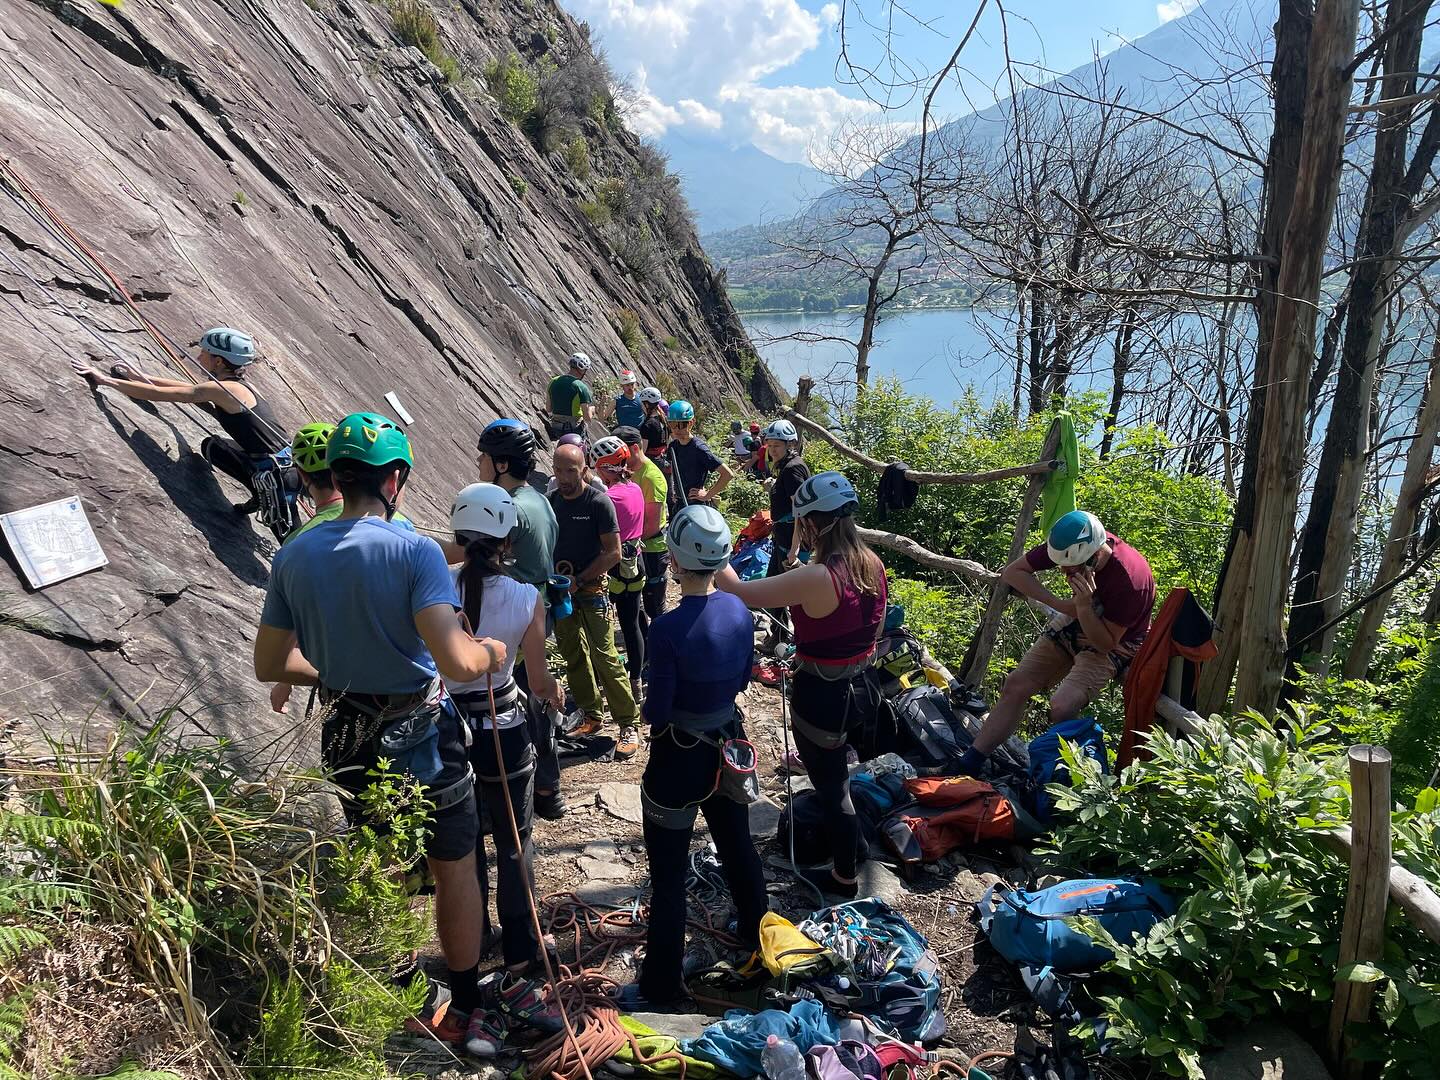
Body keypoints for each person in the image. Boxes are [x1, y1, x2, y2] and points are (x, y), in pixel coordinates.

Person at [252, 412, 517, 1044]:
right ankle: (464, 1004)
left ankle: (402, 994)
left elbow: (271, 663)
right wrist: (492, 654)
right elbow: (455, 659)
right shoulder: (415, 550)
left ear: (336, 476)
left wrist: (339, 665)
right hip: (421, 729)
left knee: (382, 859)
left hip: (346, 727)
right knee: (454, 862)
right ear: (394, 479)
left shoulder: (294, 553)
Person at [616, 505, 768, 1010]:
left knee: (669, 875)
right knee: (737, 844)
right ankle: (758, 935)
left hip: (678, 757)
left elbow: (658, 710)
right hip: (728, 742)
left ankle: (661, 985)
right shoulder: (740, 612)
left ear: (677, 561)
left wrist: (648, 713)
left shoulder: (666, 628)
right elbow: (744, 677)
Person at [717, 472, 887, 899]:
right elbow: (876, 628)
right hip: (862, 688)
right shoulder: (872, 563)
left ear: (814, 522)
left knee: (832, 787)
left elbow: (737, 590)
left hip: (823, 694)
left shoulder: (817, 577)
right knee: (836, 780)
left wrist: (716, 548)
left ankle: (845, 876)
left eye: (802, 521)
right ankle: (854, 844)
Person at [446, 482, 568, 1057]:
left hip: (450, 728)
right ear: (507, 539)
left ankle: (475, 938)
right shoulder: (525, 597)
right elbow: (538, 679)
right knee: (516, 839)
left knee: (464, 843)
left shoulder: (437, 586)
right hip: (505, 727)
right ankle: (520, 949)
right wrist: (556, 692)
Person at [958, 510, 1155, 776]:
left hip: (1116, 639)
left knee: (1062, 706)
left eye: (1070, 568)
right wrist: (1060, 604)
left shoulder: (1131, 581)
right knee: (1017, 684)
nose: (1063, 572)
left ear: (1094, 557)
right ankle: (970, 761)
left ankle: (1070, 778)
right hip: (1076, 619)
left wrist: (1083, 608)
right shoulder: (1070, 542)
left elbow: (1106, 643)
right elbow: (1014, 572)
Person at [71, 327, 290, 515]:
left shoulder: (224, 389)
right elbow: (188, 389)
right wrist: (138, 376)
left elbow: (162, 394)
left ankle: (265, 496)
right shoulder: (238, 385)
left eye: (204, 352)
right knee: (213, 447)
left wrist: (105, 381)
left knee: (288, 539)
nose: (199, 357)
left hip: (277, 476)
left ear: (219, 361)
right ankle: (258, 492)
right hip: (287, 464)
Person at [475, 419, 567, 820]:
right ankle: (548, 788)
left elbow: (473, 559)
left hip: (512, 618)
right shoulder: (539, 499)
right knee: (537, 697)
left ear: (499, 464)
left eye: (483, 457)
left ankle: (513, 796)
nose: (478, 462)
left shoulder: (507, 509)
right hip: (539, 609)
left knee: (511, 704)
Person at [548, 443, 642, 759]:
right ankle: (591, 714)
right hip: (563, 590)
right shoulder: (552, 502)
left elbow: (613, 552)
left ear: (584, 470)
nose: (563, 477)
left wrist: (581, 579)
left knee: (605, 656)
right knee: (571, 651)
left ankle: (629, 724)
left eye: (570, 470)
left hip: (592, 590)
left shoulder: (598, 503)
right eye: (558, 470)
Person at [592, 436, 648, 705]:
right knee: (632, 622)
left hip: (614, 568)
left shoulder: (607, 498)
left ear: (605, 468)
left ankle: (608, 681)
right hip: (636, 562)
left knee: (601, 625)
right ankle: (636, 681)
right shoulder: (635, 489)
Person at [759, 419, 810, 650]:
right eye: (770, 446)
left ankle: (795, 638)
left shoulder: (792, 469)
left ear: (789, 445)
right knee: (775, 584)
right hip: (783, 534)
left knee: (787, 590)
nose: (772, 450)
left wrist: (794, 548)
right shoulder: (787, 467)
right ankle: (778, 635)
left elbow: (800, 509)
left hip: (790, 537)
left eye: (777, 446)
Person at [613, 425, 669, 627]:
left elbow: (652, 524)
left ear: (635, 448)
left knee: (655, 607)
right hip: (635, 546)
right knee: (636, 602)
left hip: (651, 549)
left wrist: (622, 543)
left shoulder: (651, 477)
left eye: (621, 452)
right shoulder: (627, 471)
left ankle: (661, 651)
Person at [665, 400, 732, 508]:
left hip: (695, 504)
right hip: (679, 503)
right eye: (672, 424)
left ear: (691, 423)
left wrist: (707, 495)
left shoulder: (699, 448)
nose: (676, 429)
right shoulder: (673, 446)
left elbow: (727, 474)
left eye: (681, 425)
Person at [546, 351, 595, 439]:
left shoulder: (553, 381)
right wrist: (592, 410)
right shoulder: (581, 387)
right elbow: (587, 418)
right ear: (582, 369)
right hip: (574, 429)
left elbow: (548, 409)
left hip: (555, 427)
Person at [638, 386, 668, 458]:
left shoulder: (647, 425)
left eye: (642, 403)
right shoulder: (664, 419)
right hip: (663, 458)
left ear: (647, 405)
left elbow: (643, 452)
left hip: (651, 461)